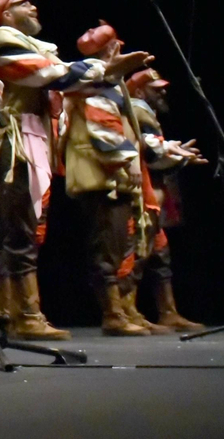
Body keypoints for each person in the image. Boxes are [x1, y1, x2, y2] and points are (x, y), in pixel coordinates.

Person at [0, 0, 148, 340]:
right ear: (7, 15)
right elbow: (44, 75)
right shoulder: (2, 38)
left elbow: (63, 78)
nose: (33, 5)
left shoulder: (39, 46)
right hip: (16, 139)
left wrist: (106, 72)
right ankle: (25, 314)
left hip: (35, 138)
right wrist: (103, 68)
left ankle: (21, 311)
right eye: (23, 3)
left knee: (29, 229)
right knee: (19, 229)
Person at [62, 22, 158, 336]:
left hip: (113, 176)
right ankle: (112, 313)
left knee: (120, 241)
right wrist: (126, 159)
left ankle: (123, 309)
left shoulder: (108, 81)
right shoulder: (93, 77)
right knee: (106, 242)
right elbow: (101, 125)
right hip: (101, 175)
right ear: (113, 49)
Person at [128, 68, 208, 331]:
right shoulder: (139, 111)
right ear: (139, 90)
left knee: (159, 252)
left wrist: (179, 155)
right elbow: (152, 154)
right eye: (156, 88)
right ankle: (128, 310)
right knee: (141, 250)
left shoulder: (145, 112)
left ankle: (167, 311)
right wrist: (180, 157)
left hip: (153, 189)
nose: (163, 91)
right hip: (144, 191)